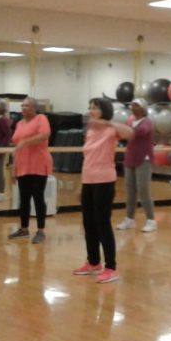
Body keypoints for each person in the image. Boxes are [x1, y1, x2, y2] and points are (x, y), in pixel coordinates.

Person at [73, 98, 133, 283]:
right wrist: (81, 185)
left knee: (102, 223)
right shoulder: (90, 131)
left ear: (104, 111)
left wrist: (106, 123)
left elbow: (131, 134)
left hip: (104, 181)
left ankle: (111, 267)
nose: (91, 111)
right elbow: (88, 159)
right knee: (88, 223)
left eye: (95, 108)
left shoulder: (110, 129)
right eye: (90, 107)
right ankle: (93, 263)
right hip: (88, 180)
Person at [9, 97, 52, 244]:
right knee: (24, 198)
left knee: (38, 197)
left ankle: (41, 231)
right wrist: (13, 168)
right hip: (23, 165)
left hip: (38, 164)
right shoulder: (19, 124)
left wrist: (25, 142)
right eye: (22, 105)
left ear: (34, 108)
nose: (23, 108)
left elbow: (44, 135)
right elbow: (16, 147)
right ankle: (24, 229)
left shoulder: (41, 118)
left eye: (27, 105)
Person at [116, 98, 157, 232]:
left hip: (143, 159)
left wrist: (123, 130)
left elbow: (140, 132)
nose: (133, 108)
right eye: (132, 105)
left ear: (143, 108)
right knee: (130, 191)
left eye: (136, 105)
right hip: (130, 159)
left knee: (143, 190)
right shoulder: (131, 122)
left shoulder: (147, 122)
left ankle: (151, 220)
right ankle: (129, 219)